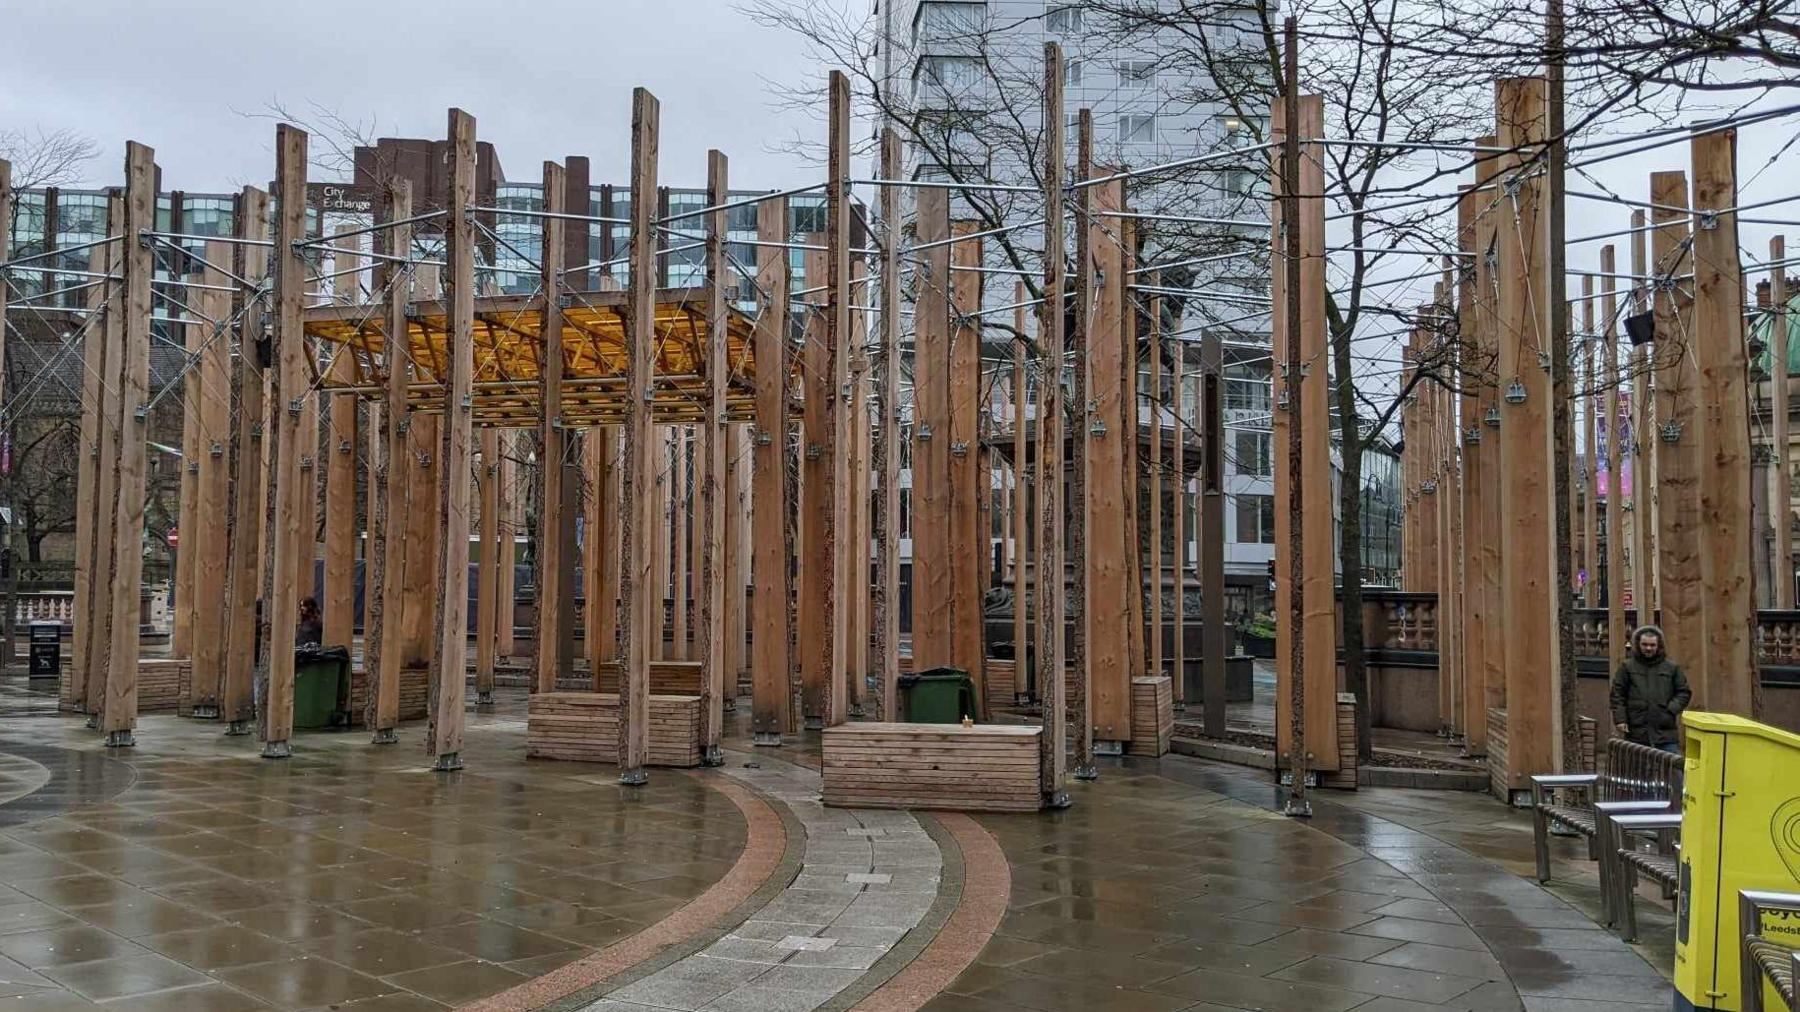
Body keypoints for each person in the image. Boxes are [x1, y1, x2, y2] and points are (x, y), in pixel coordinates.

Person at [1609, 625, 1692, 754]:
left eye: (1652, 645)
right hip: (1636, 731)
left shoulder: (1671, 668)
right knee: (1637, 772)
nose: (1648, 648)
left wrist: (1671, 709)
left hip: (1665, 731)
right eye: (1645, 644)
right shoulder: (1627, 667)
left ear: (1659, 646)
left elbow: (1684, 692)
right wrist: (1620, 719)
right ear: (1638, 644)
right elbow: (1617, 695)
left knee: (1672, 771)